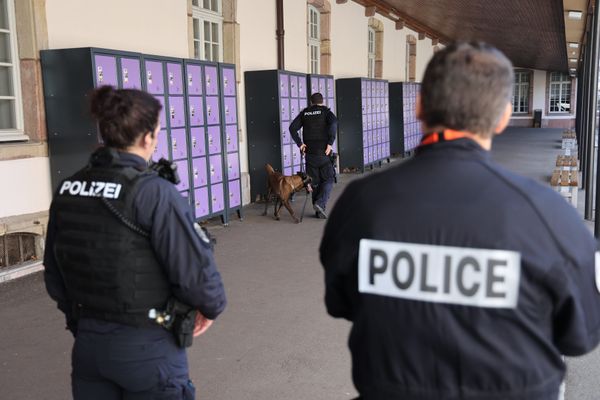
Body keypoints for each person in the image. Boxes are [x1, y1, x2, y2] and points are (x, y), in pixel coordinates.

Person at [319, 42, 600, 400]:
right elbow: (581, 336)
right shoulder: (549, 214)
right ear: (502, 117)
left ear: (420, 106)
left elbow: (340, 302)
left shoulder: (360, 203)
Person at [43, 86, 226, 400]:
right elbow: (196, 275)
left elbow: (54, 274)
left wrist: (84, 324)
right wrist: (211, 308)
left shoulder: (68, 188)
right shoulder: (154, 193)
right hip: (149, 349)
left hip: (89, 347)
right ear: (147, 137)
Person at [289, 92, 338, 219]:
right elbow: (334, 123)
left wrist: (300, 144)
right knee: (328, 179)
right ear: (322, 101)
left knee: (315, 181)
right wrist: (330, 143)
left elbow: (292, 128)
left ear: (311, 102)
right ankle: (320, 204)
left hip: (310, 154)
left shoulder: (305, 113)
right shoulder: (326, 112)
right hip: (324, 153)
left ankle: (318, 210)